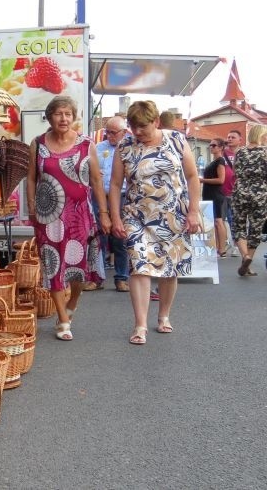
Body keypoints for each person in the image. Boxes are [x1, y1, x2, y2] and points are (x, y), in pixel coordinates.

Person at [109, 100, 201, 345]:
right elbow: (116, 185)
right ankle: (140, 325)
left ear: (156, 122)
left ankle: (164, 315)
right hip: (137, 216)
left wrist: (193, 211)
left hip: (173, 214)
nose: (137, 132)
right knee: (139, 266)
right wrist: (115, 217)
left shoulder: (176, 140)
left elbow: (192, 177)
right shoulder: (124, 146)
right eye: (133, 126)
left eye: (143, 127)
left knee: (169, 268)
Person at [26, 95, 110, 341]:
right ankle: (63, 319)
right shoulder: (38, 143)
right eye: (58, 114)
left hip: (80, 214)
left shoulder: (86, 144)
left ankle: (72, 301)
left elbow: (95, 180)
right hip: (47, 215)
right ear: (50, 117)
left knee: (78, 268)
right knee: (53, 265)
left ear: (74, 117)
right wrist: (32, 208)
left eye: (68, 114)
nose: (63, 118)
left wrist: (103, 213)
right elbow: (31, 178)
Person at [95, 115, 130, 292]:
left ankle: (122, 278)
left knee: (120, 239)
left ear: (124, 132)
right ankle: (97, 278)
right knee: (98, 238)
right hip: (100, 197)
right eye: (107, 132)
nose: (109, 135)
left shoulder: (130, 148)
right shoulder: (98, 148)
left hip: (122, 197)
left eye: (113, 132)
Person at [231, 124, 267, 276]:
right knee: (255, 229)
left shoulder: (240, 152)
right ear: (262, 136)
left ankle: (245, 257)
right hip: (260, 194)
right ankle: (247, 259)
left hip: (240, 193)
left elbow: (235, 171)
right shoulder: (265, 152)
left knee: (239, 226)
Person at [198, 138, 228, 256]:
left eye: (214, 145)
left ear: (220, 147)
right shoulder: (213, 161)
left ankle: (222, 248)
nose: (211, 147)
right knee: (214, 222)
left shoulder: (220, 161)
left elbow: (221, 180)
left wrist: (202, 180)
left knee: (218, 221)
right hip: (209, 193)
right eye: (210, 145)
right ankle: (217, 247)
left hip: (216, 194)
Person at [223, 129, 243, 256]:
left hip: (236, 192)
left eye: (233, 137)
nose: (230, 139)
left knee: (234, 220)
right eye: (229, 137)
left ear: (240, 140)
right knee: (220, 220)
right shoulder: (223, 153)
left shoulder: (243, 153)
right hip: (222, 191)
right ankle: (224, 243)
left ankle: (236, 246)